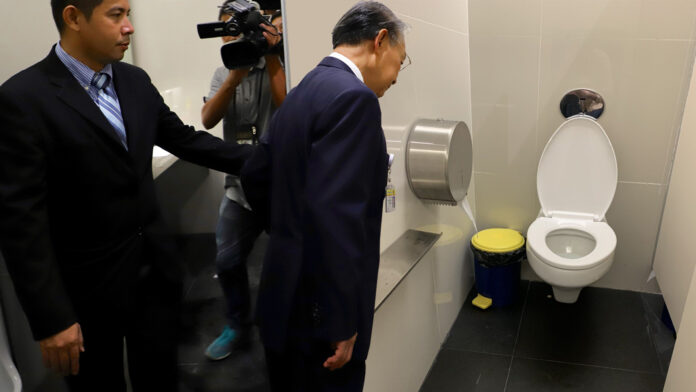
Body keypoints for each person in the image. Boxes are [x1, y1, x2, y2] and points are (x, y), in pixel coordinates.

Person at [0, 0, 270, 390]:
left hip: (155, 274)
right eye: (116, 15)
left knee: (159, 375)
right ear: (73, 17)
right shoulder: (23, 99)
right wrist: (52, 318)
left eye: (128, 14)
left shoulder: (133, 80)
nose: (129, 27)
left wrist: (272, 160)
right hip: (87, 291)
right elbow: (20, 224)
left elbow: (185, 140)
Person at [241, 2, 408, 390]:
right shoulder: (356, 99)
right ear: (380, 41)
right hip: (319, 324)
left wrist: (289, 233)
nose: (397, 77)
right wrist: (340, 320)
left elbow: (255, 173)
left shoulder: (306, 87)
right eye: (402, 61)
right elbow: (338, 220)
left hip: (282, 298)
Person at [201, 2, 286, 360]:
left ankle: (283, 322)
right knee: (227, 260)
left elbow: (290, 109)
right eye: (226, 31)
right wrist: (234, 77)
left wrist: (270, 55)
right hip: (238, 188)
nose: (232, 37)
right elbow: (207, 119)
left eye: (238, 30)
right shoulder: (222, 73)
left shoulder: (277, 67)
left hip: (280, 188)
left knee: (286, 261)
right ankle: (237, 324)